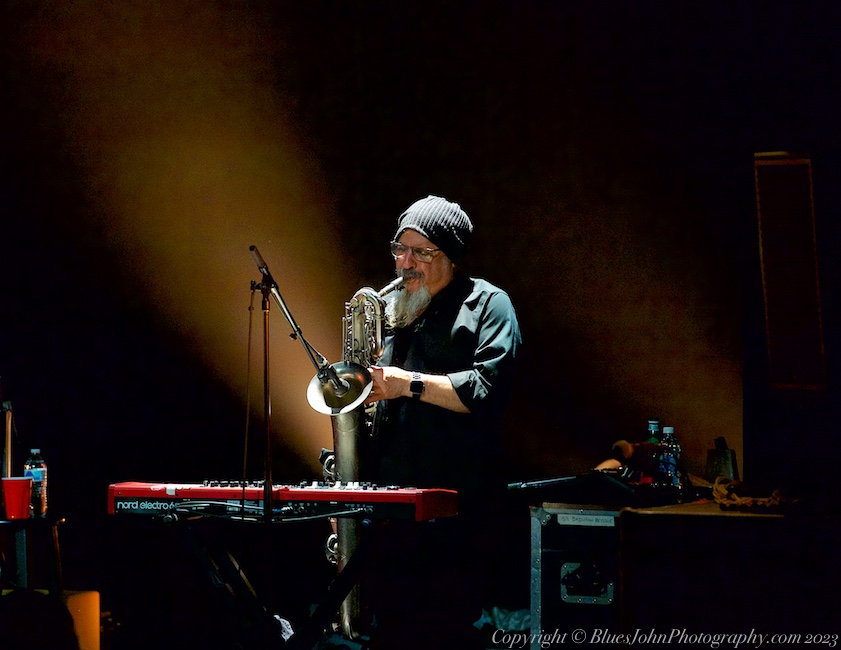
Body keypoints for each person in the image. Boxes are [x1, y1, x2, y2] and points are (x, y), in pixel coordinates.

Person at [362, 195, 522, 649]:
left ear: (450, 256)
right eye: (400, 248)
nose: (404, 262)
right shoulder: (392, 311)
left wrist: (406, 383)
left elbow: (486, 391)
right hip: (390, 511)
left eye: (421, 252)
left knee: (442, 631)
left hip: (457, 514)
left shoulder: (490, 305)